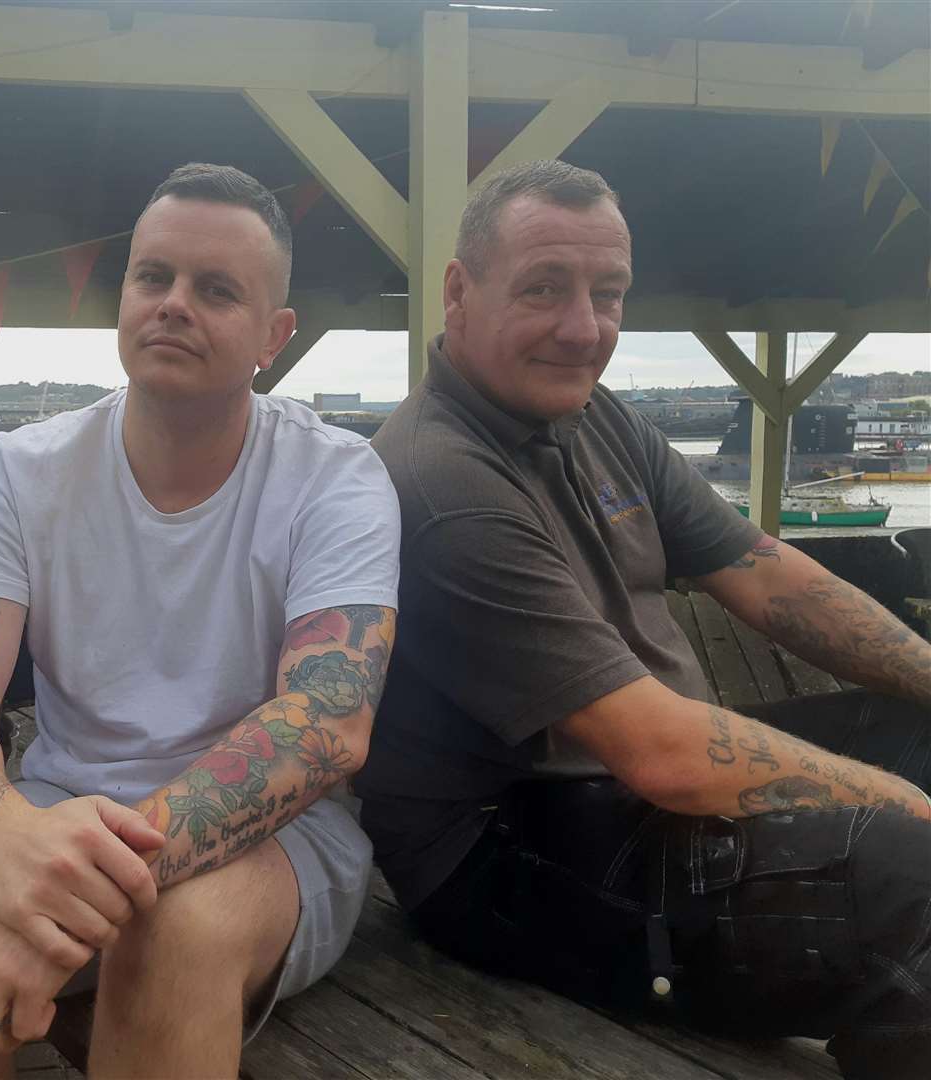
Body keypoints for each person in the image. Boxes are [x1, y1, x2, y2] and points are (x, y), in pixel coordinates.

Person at [359, 159, 931, 1080]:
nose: (584, 329)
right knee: (917, 881)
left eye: (609, 294)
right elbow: (660, 751)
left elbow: (764, 572)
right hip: (511, 851)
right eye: (544, 288)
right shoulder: (437, 480)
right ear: (459, 291)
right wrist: (910, 812)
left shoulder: (597, 417)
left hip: (649, 790)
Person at [0, 163, 400, 1078]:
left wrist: (77, 894)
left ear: (275, 334)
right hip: (60, 805)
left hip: (277, 840)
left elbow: (326, 725)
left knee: (170, 931)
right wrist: (4, 841)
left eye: (216, 289)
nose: (174, 304)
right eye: (154, 277)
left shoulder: (335, 478)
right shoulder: (16, 475)